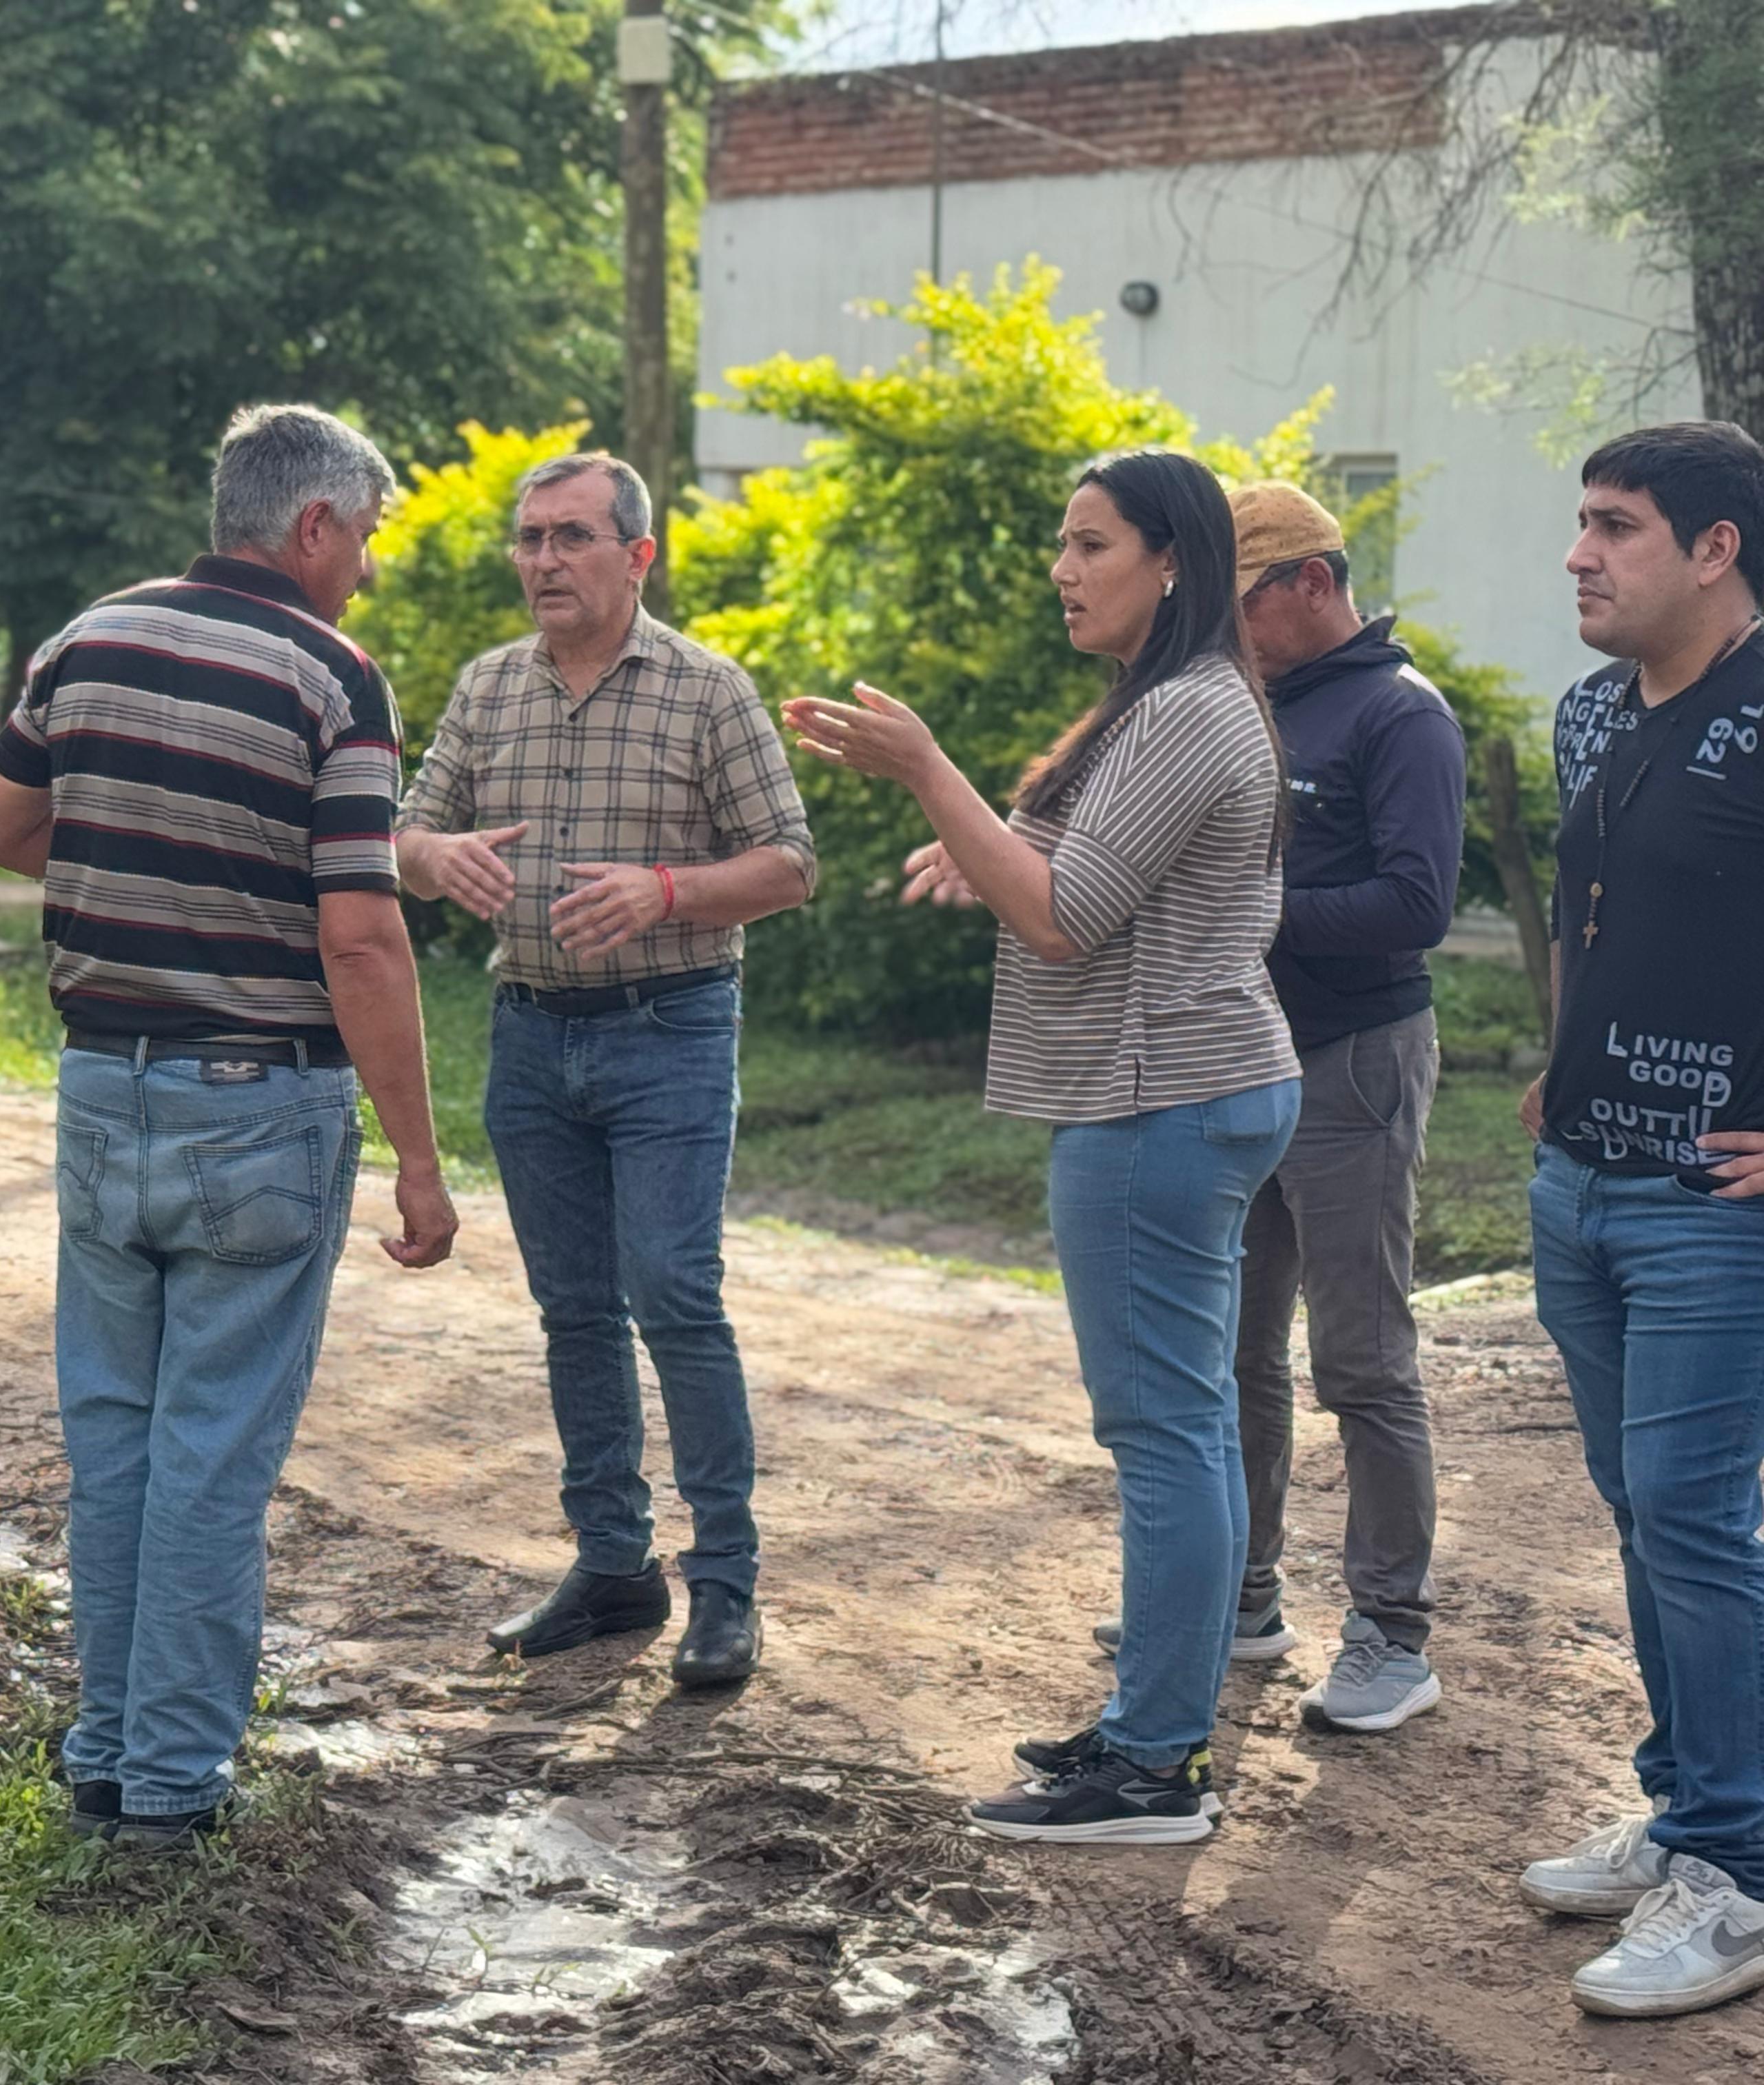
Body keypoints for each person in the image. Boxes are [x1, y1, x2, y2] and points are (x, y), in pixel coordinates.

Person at [0, 404, 457, 1853]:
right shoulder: (331, 677)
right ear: (310, 527)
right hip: (260, 1105)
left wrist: (121, 848)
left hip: (106, 1088)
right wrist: (418, 1157)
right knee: (215, 1454)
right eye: (361, 536)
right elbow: (361, 936)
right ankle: (173, 1784)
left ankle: (105, 1750)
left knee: (115, 1442)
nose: (363, 565)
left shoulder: (90, 637)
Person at [788, 449, 1297, 1844]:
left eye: (1092, 544)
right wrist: (972, 841)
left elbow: (1067, 915)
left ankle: (1154, 1769)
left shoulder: (1193, 711)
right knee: (1171, 1426)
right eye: (1061, 545)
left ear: (1173, 560)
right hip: (1168, 1093)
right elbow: (1069, 879)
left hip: (1162, 1102)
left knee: (1168, 1430)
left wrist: (926, 770)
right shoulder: (1163, 703)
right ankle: (1150, 1728)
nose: (1064, 570)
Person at [396, 451, 815, 1689]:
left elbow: (792, 864)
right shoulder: (486, 688)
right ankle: (615, 1566)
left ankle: (725, 1588)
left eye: (570, 538)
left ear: (637, 557)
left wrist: (669, 889)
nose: (542, 562)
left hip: (672, 1026)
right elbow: (406, 831)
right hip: (529, 1033)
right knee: (572, 1310)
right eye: (529, 540)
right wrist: (437, 859)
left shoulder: (709, 691)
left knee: (675, 1296)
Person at [1088, 483, 1464, 1734]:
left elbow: (1418, 907)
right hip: (1242, 1070)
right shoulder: (1242, 702)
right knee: (1234, 1353)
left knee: (1359, 1357)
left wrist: (1238, 912)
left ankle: (1390, 1633)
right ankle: (1242, 1597)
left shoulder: (1400, 716)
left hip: (1353, 1059)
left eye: (1244, 599)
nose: (1229, 626)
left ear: (1313, 581)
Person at [1513, 421, 1764, 2019]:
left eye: (1615, 527)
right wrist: (1560, 1058)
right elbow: (1606, 915)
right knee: (1636, 1504)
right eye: (1580, 523)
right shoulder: (1596, 710)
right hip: (1580, 1178)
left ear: (1718, 547)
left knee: (1689, 1511)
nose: (1579, 555)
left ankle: (1736, 1873)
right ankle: (1688, 1806)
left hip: (1709, 1202)